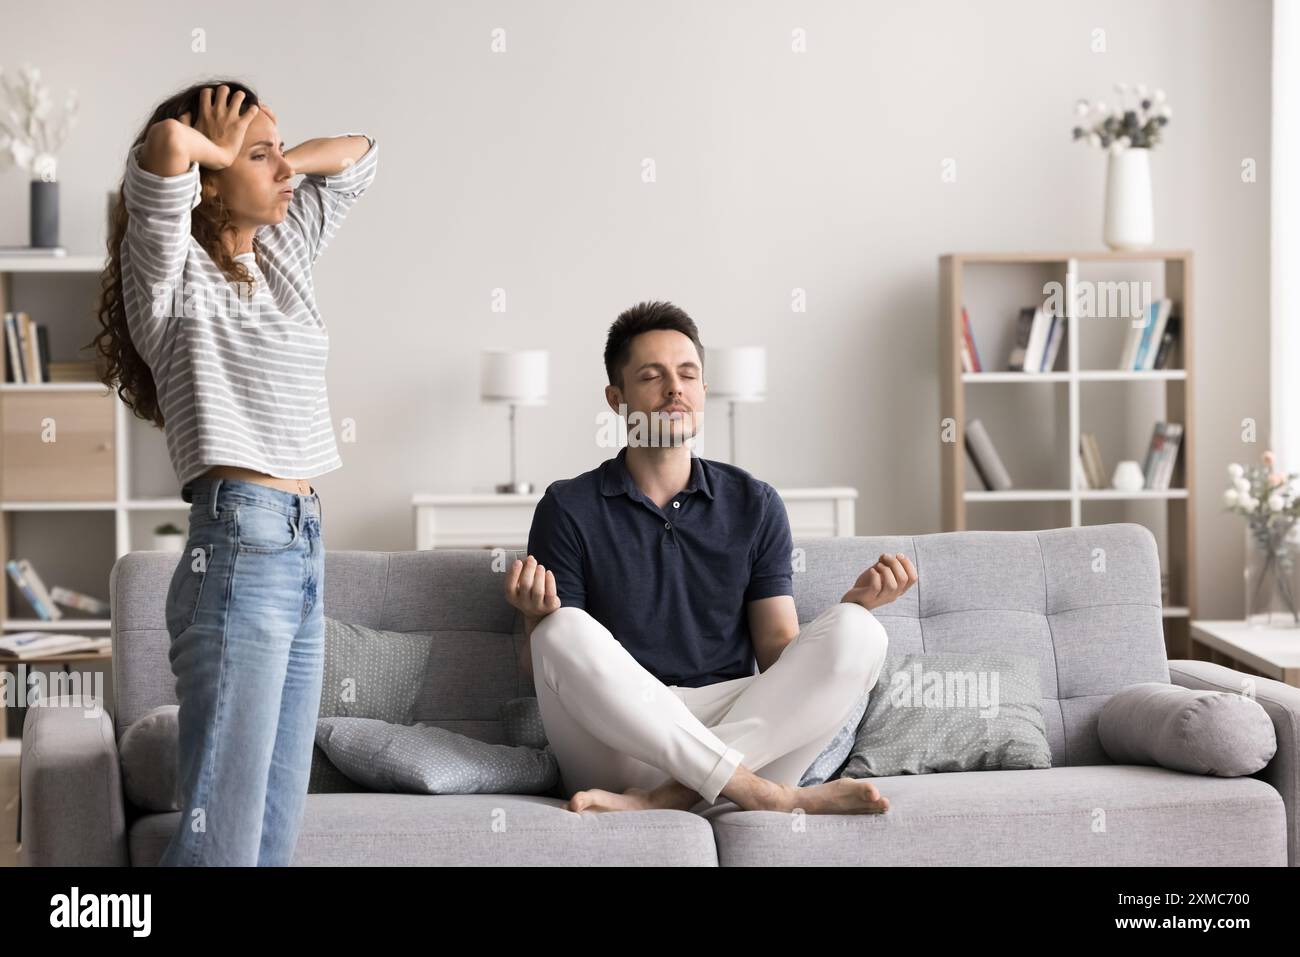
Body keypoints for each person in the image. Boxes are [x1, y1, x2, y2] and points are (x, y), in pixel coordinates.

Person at [92, 81, 378, 864]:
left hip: (303, 544)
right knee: (222, 835)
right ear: (207, 183)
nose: (285, 172)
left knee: (272, 833)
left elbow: (359, 155)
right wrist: (216, 150)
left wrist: (265, 155)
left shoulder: (284, 252)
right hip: (238, 547)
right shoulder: (168, 275)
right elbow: (162, 156)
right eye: (262, 157)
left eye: (282, 154)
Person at [504, 300, 917, 816]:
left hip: (741, 732)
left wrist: (852, 607)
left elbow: (777, 653)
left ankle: (668, 798)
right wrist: (533, 617)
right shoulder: (567, 507)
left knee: (861, 630)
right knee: (561, 630)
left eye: (688, 374)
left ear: (703, 391)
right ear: (617, 398)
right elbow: (542, 665)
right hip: (621, 743)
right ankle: (765, 796)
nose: (674, 388)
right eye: (652, 376)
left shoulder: (756, 503)